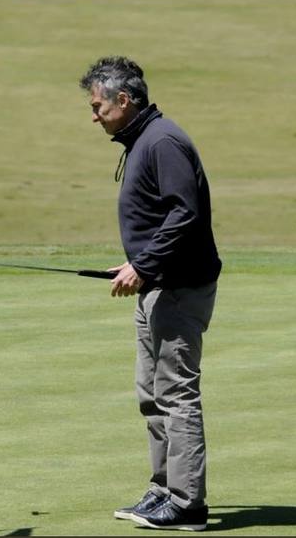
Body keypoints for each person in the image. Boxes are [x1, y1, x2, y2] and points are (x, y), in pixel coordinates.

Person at [79, 56, 222, 532]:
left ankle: (187, 505)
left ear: (124, 100)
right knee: (152, 394)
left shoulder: (162, 142)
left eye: (98, 106)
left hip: (178, 288)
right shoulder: (144, 139)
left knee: (176, 393)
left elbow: (185, 213)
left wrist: (142, 264)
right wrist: (136, 264)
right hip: (159, 284)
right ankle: (163, 490)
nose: (93, 115)